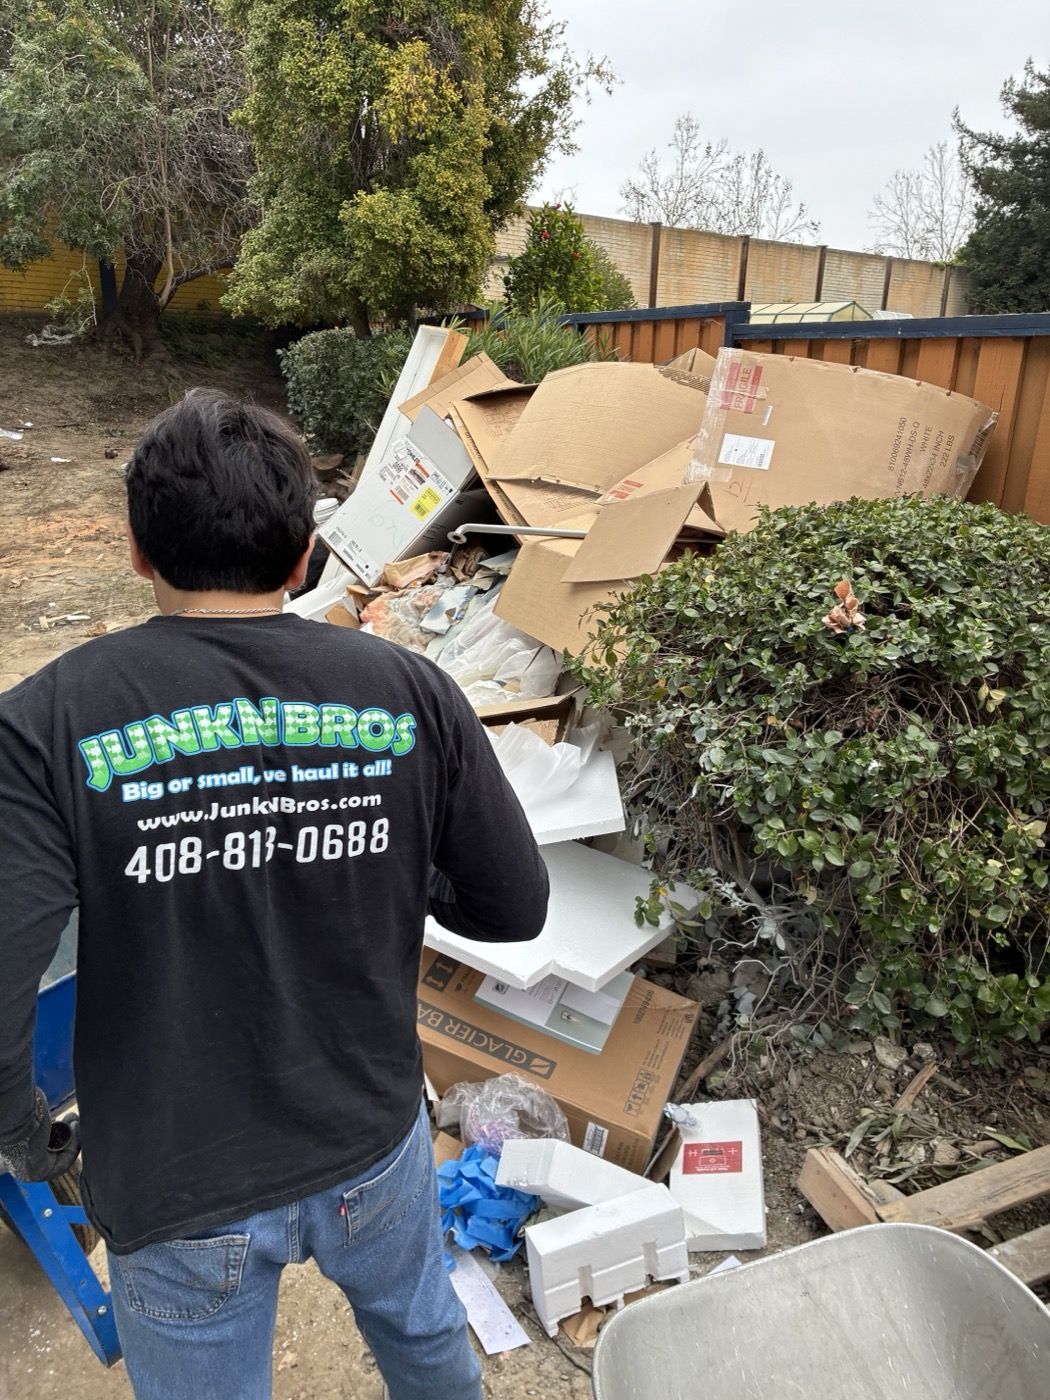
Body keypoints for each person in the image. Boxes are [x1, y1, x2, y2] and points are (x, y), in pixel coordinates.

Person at [0, 390, 549, 1399]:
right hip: (373, 1139)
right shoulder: (412, 691)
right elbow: (512, 905)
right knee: (426, 1338)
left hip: (176, 1182)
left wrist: (24, 1129)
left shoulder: (45, 724)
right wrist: (375, 855)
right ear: (303, 555)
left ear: (135, 548)